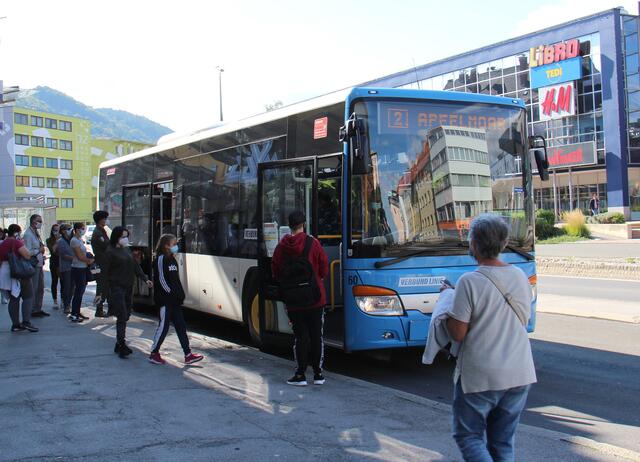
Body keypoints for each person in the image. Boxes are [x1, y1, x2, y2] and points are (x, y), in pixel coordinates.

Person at [446, 214, 536, 461]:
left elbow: (458, 332)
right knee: (503, 444)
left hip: (482, 375)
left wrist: (447, 305)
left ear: (473, 243)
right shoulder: (519, 276)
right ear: (504, 243)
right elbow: (523, 319)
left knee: (468, 437)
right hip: (519, 372)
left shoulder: (469, 282)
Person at [271, 211, 329, 386]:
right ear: (304, 223)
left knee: (300, 337)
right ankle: (318, 374)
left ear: (289, 226)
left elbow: (276, 271)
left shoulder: (282, 246)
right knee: (316, 336)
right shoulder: (313, 243)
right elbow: (324, 268)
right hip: (315, 298)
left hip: (294, 301)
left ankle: (300, 374)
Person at [148, 234, 203, 365]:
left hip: (175, 300)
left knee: (181, 326)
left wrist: (179, 294)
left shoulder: (172, 259)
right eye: (173, 244)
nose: (175, 246)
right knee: (164, 326)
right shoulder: (161, 259)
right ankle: (154, 353)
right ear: (166, 245)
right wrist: (171, 293)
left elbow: (175, 280)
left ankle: (188, 354)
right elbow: (161, 279)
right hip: (165, 300)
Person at [102, 226, 152, 358]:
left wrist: (145, 279)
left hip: (128, 286)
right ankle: (121, 344)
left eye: (126, 236)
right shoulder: (110, 252)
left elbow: (135, 266)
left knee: (126, 314)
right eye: (123, 236)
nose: (125, 239)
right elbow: (104, 274)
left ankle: (119, 343)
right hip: (116, 287)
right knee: (122, 315)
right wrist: (101, 294)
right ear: (116, 237)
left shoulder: (126, 249)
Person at [0, 224, 38, 332]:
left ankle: (15, 324)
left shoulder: (2, 243)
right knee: (28, 296)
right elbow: (27, 255)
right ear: (17, 233)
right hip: (20, 273)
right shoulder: (16, 242)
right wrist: (21, 243)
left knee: (14, 299)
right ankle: (26, 321)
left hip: (6, 273)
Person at [23, 214, 49, 318]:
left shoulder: (36, 233)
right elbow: (28, 252)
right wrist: (39, 250)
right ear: (33, 221)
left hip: (39, 263)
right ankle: (32, 309)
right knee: (34, 288)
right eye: (39, 221)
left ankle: (38, 308)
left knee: (40, 288)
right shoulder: (28, 234)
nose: (40, 223)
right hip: (33, 265)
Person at [70, 222, 95, 323]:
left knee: (81, 291)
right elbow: (80, 257)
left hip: (82, 267)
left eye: (84, 228)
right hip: (78, 268)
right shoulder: (74, 240)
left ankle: (77, 311)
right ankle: (74, 313)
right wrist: (90, 261)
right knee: (78, 291)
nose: (83, 230)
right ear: (76, 229)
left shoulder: (80, 240)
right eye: (81, 228)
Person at [90, 210, 111, 317]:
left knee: (105, 286)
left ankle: (103, 308)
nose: (105, 220)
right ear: (100, 220)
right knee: (101, 287)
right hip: (101, 263)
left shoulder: (102, 230)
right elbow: (107, 245)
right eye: (104, 218)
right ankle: (99, 309)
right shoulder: (98, 233)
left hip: (103, 263)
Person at [57, 224, 75, 314]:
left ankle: (69, 303)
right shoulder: (61, 241)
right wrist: (75, 258)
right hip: (66, 267)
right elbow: (63, 255)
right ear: (63, 231)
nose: (70, 230)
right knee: (67, 287)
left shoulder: (72, 239)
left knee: (72, 287)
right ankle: (66, 305)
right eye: (68, 229)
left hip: (74, 266)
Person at [46, 224, 61, 310]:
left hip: (62, 262)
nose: (56, 232)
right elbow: (53, 250)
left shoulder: (63, 239)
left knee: (63, 281)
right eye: (54, 230)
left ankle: (63, 300)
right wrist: (57, 240)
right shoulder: (49, 240)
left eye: (58, 230)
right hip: (54, 262)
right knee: (54, 281)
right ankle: (55, 300)